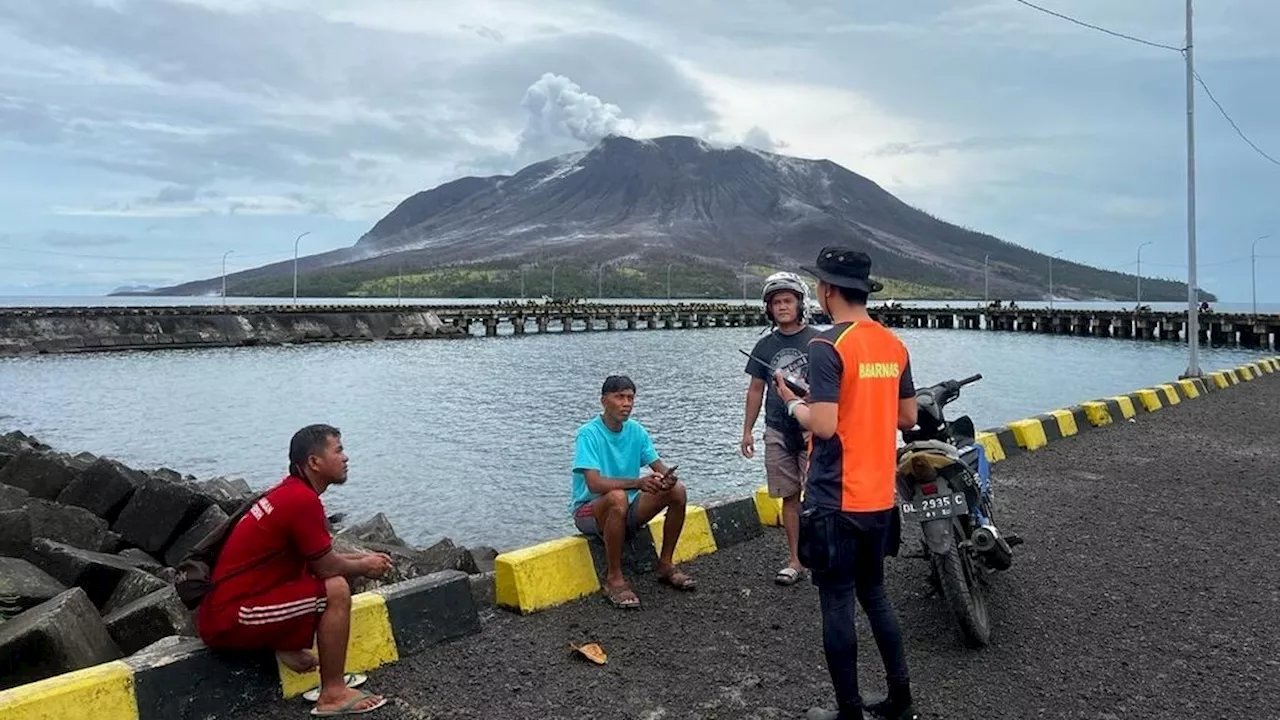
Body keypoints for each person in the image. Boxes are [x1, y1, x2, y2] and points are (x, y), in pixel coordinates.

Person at [775, 247, 921, 720]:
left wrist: (794, 404)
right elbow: (907, 416)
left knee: (836, 601)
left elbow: (823, 425)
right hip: (880, 496)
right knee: (875, 596)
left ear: (828, 290)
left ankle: (850, 710)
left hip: (835, 498)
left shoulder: (827, 345)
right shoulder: (893, 345)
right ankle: (900, 700)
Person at [196, 424, 394, 717]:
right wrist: (365, 565)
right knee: (336, 589)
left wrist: (361, 557)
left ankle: (295, 652)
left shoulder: (288, 491)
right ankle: (333, 694)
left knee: (320, 578)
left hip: (230, 607)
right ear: (314, 462)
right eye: (338, 451)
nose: (346, 457)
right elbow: (327, 566)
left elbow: (317, 557)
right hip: (231, 616)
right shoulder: (302, 501)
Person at [570, 375, 698, 609]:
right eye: (619, 397)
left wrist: (667, 478)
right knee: (617, 497)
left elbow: (658, 466)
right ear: (603, 401)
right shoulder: (588, 434)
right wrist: (637, 483)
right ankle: (614, 578)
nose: (626, 403)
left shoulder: (636, 431)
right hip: (590, 510)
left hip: (624, 506)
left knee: (678, 491)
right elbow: (594, 484)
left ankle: (666, 564)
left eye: (630, 398)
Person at [740, 271, 819, 585]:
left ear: (800, 304)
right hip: (776, 430)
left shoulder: (818, 340)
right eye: (776, 303)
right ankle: (795, 560)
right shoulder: (763, 345)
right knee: (789, 496)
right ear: (768, 308)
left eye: (788, 301)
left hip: (812, 428)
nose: (782, 307)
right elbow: (755, 390)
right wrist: (747, 430)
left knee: (820, 494)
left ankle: (826, 554)